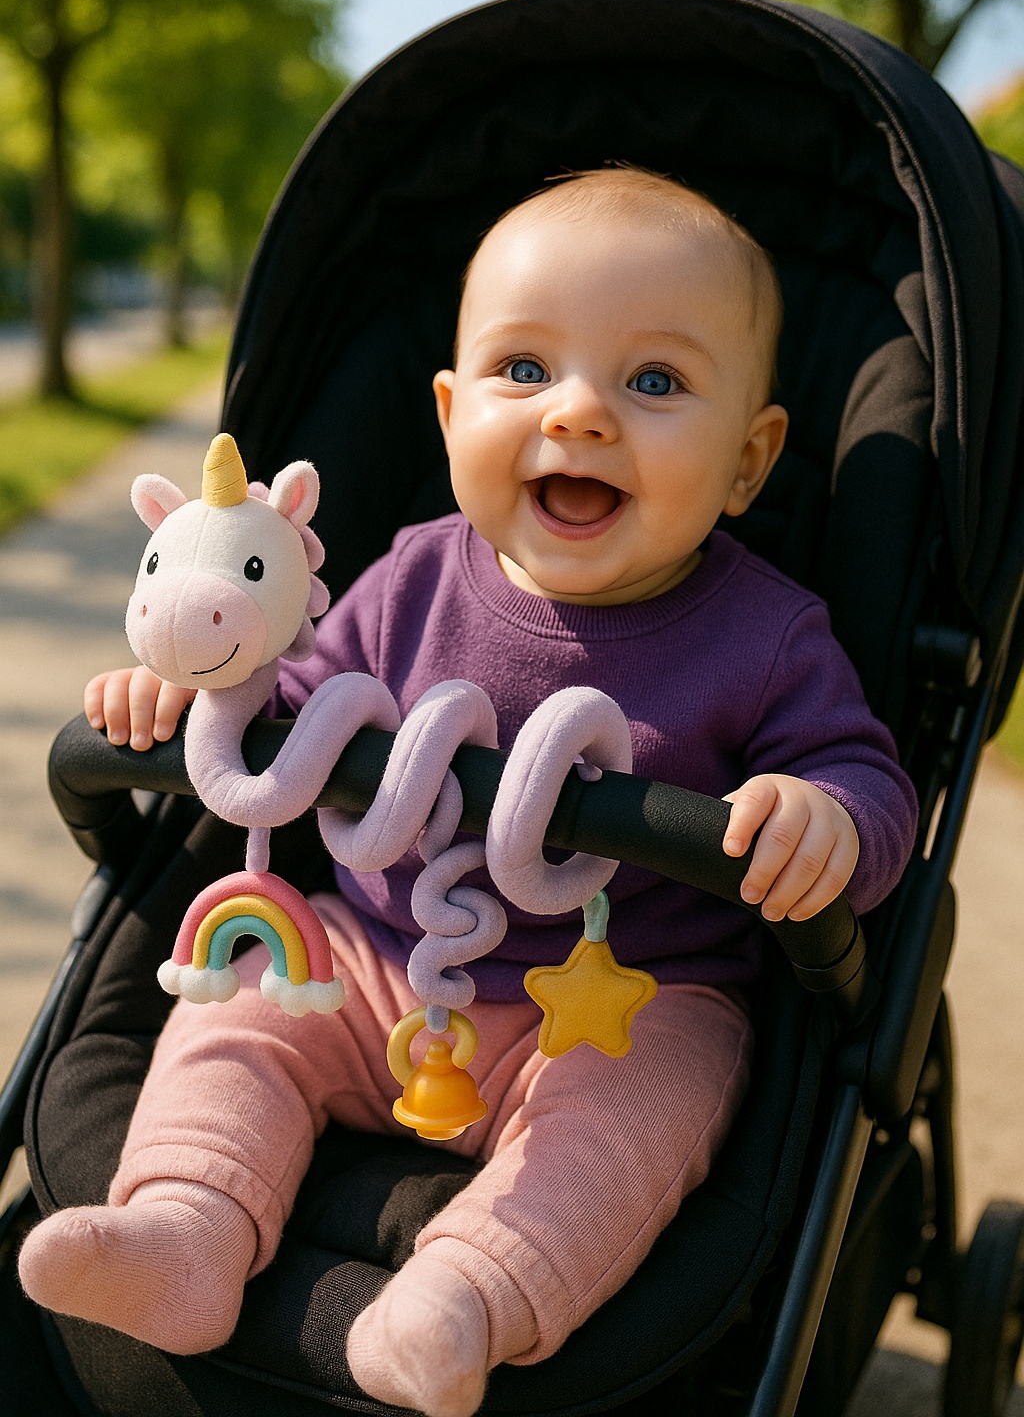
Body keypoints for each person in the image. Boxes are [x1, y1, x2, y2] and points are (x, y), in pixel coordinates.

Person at [19, 167, 917, 1417]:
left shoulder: (768, 638)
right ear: (448, 417)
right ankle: (186, 1226)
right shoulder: (409, 580)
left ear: (750, 460)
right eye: (523, 371)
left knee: (641, 1110)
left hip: (616, 1005)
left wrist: (823, 816)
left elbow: (869, 786)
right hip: (374, 960)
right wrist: (190, 699)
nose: (580, 415)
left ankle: (465, 1299)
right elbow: (278, 711)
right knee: (235, 1022)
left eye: (653, 382)